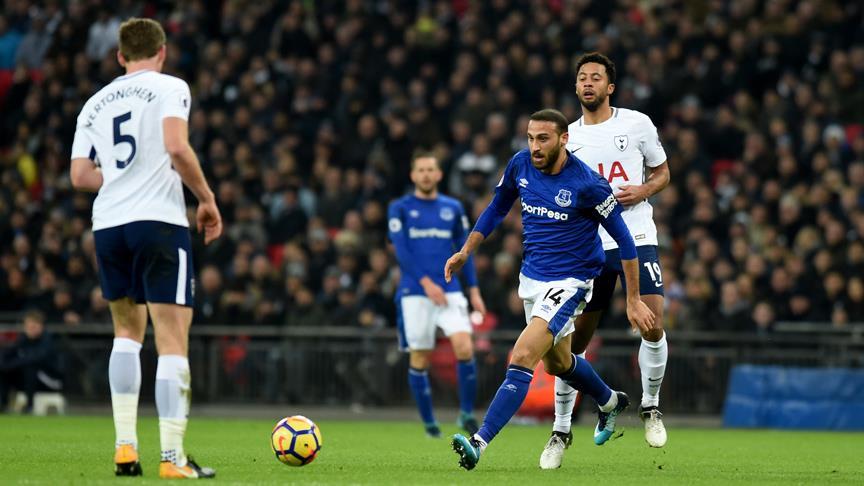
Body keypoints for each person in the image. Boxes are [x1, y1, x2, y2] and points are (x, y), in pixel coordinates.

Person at [445, 109, 656, 471]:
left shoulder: (588, 184)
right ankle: (608, 401)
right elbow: (497, 207)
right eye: (530, 138)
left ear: (563, 139)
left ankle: (479, 441)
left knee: (523, 355)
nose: (534, 146)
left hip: (571, 282)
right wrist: (467, 250)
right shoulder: (519, 165)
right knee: (557, 362)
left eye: (543, 139)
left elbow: (625, 241)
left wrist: (633, 298)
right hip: (533, 278)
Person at [70, 18, 222, 479]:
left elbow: (79, 177)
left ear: (120, 56)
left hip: (109, 226)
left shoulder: (94, 104)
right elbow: (176, 146)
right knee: (172, 338)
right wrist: (207, 198)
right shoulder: (169, 86)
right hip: (158, 222)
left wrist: (120, 178)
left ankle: (124, 450)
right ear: (162, 51)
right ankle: (173, 459)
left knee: (125, 335)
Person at [539, 52, 672, 469]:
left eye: (596, 77)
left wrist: (644, 190)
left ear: (610, 87)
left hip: (636, 235)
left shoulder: (637, 124)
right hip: (586, 248)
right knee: (571, 345)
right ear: (576, 88)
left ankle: (650, 407)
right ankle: (561, 430)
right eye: (582, 78)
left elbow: (663, 172)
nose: (589, 83)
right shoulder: (566, 137)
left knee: (653, 322)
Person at [387, 153, 487, 438]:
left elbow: (464, 252)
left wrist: (474, 290)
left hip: (450, 289)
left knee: (465, 347)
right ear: (413, 176)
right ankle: (430, 423)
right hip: (414, 292)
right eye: (421, 170)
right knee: (420, 357)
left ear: (439, 175)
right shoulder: (400, 208)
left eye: (431, 169)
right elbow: (401, 251)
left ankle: (466, 413)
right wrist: (426, 284)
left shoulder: (453, 208)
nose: (427, 174)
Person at [0, 310, 63, 413]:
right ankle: (3, 405)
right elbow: (8, 354)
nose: (30, 330)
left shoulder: (47, 340)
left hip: (50, 381)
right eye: (28, 327)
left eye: (33, 326)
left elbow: (35, 359)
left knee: (30, 368)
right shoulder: (23, 339)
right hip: (29, 381)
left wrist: (10, 364)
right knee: (4, 370)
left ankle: (29, 406)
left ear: (41, 326)